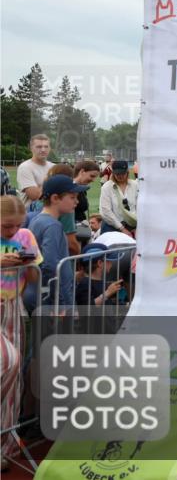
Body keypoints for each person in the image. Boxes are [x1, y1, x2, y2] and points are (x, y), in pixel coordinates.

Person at [1, 196, 41, 471]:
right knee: (9, 361)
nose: (13, 231)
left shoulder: (26, 235)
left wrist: (26, 263)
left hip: (14, 308)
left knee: (14, 382)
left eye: (18, 225)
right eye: (6, 227)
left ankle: (6, 447)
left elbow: (36, 278)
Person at [28, 175, 87, 308]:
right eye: (72, 197)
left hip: (45, 295)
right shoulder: (53, 226)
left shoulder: (37, 220)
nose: (76, 202)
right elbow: (51, 266)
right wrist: (60, 302)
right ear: (55, 198)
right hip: (55, 299)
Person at [99, 161, 137, 237]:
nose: (120, 176)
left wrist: (136, 227)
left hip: (133, 226)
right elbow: (106, 211)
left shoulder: (135, 185)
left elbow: (139, 207)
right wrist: (122, 228)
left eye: (123, 173)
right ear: (113, 173)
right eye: (117, 174)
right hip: (112, 227)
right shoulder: (107, 187)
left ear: (127, 172)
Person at [15, 134, 54, 209]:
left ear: (50, 148)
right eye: (39, 147)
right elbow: (35, 196)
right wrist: (49, 180)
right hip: (31, 216)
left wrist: (40, 187)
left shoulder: (54, 167)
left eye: (46, 147)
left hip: (51, 213)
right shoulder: (25, 167)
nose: (43, 150)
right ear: (31, 148)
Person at [73, 161, 101, 249]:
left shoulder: (82, 189)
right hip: (73, 234)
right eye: (92, 176)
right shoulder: (71, 189)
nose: (93, 180)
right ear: (82, 172)